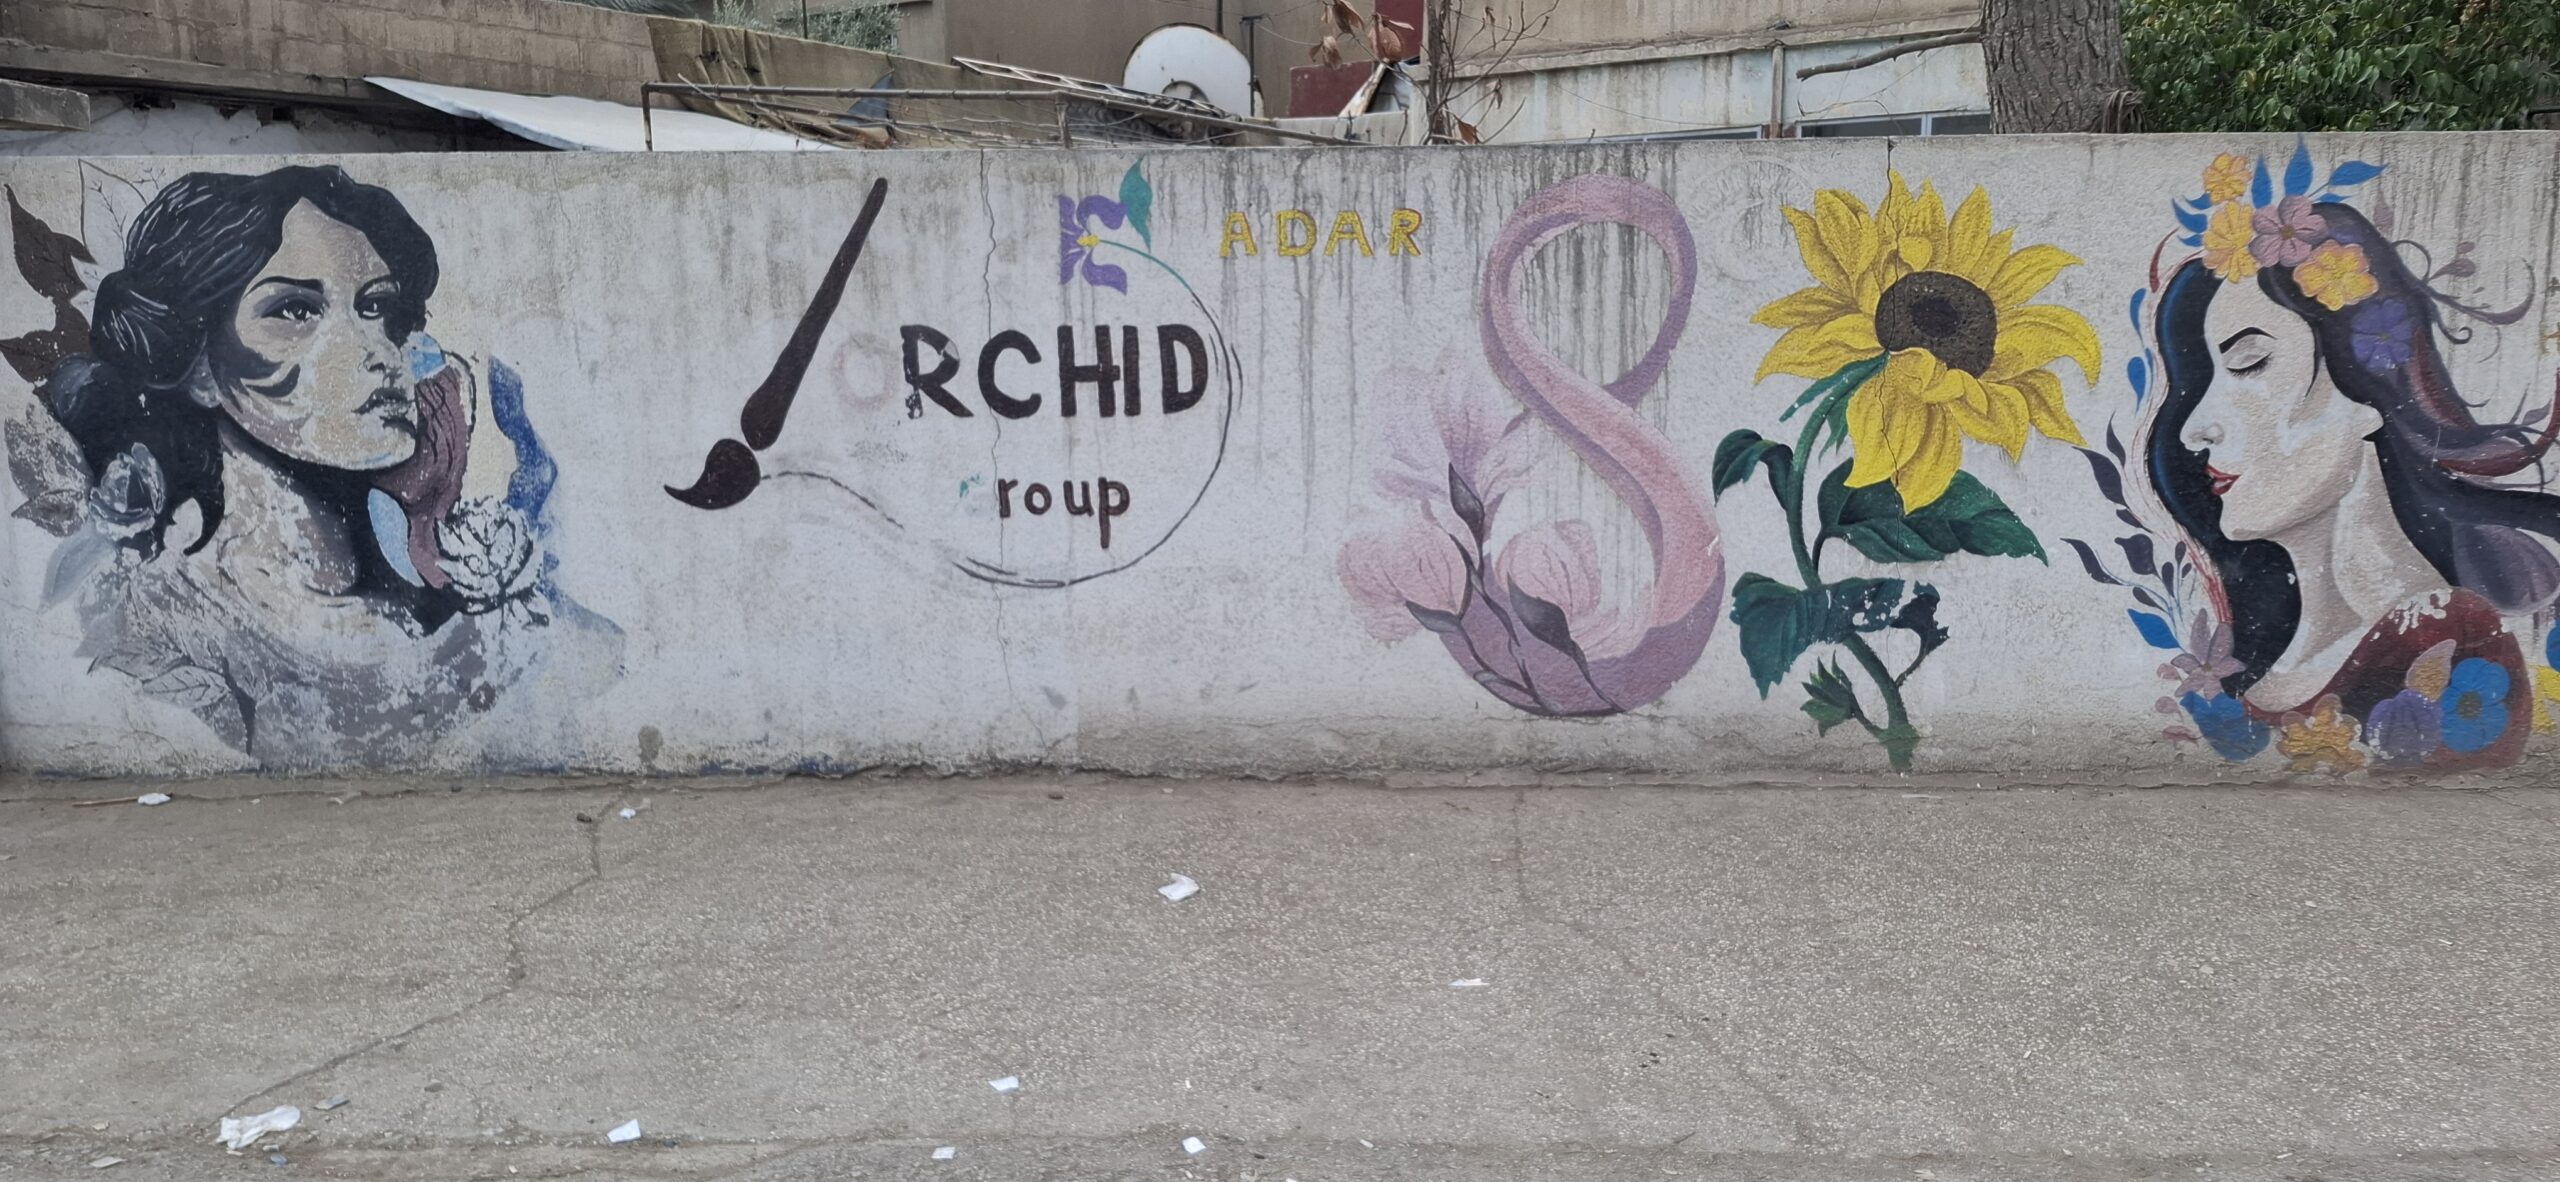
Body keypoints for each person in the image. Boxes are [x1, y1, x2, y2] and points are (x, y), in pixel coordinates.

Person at [36, 164, 614, 764]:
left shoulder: (445, 601)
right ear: (203, 370)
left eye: (376, 309)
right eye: (294, 311)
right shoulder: (158, 626)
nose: (376, 352)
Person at [2145, 197, 2557, 769]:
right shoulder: (2263, 657)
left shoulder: (2445, 643)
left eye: (2248, 364)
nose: (2193, 429)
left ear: (2366, 393)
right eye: (2201, 379)